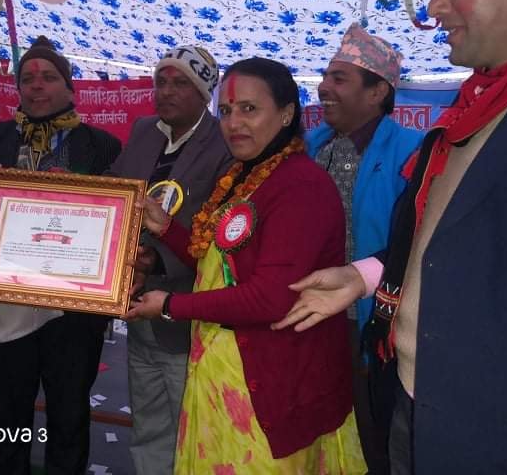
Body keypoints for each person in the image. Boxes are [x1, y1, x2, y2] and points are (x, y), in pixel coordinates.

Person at [274, 0, 507, 472]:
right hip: (410, 400)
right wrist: (363, 276)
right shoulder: (467, 114)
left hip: (504, 439)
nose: (433, 6)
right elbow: (440, 247)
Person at [127, 57, 366, 474]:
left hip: (271, 383)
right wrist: (165, 228)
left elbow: (270, 298)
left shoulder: (301, 186)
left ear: (287, 113)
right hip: (222, 368)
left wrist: (169, 305)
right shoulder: (245, 176)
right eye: (225, 110)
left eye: (249, 109)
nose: (233, 123)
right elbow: (217, 265)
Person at [0, 36, 121, 475]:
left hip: (75, 306)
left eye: (49, 77)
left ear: (69, 87)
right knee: (7, 406)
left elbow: (116, 222)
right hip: (8, 300)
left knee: (69, 409)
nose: (37, 85)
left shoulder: (102, 145)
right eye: (28, 78)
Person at [108, 44, 232, 475]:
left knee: (192, 427)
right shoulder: (145, 130)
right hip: (137, 308)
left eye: (180, 83)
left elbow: (220, 234)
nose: (166, 90)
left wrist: (156, 262)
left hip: (188, 314)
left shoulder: (224, 143)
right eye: (161, 81)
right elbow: (116, 191)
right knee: (148, 424)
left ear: (203, 92)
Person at [308, 23, 422, 474]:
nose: (324, 87)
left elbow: (413, 242)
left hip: (372, 327)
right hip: (311, 314)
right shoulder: (309, 146)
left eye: (339, 78)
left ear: (377, 92)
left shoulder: (414, 152)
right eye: (325, 76)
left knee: (372, 438)